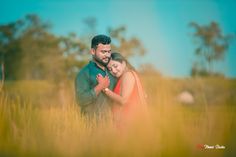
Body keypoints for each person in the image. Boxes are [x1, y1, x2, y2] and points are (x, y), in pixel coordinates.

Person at [97, 52, 147, 129]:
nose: (113, 70)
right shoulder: (123, 77)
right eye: (110, 69)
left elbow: (124, 100)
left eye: (115, 66)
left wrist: (104, 89)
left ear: (123, 63)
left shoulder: (128, 75)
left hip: (130, 125)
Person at [75, 35, 117, 119]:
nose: (107, 55)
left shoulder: (113, 72)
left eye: (109, 52)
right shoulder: (85, 73)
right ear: (93, 51)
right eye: (103, 52)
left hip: (113, 127)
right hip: (92, 127)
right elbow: (81, 100)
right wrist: (100, 87)